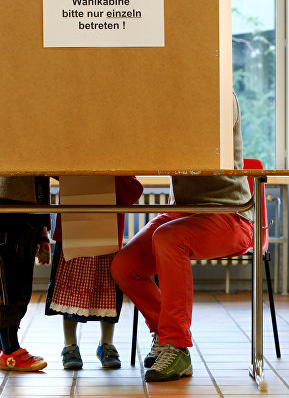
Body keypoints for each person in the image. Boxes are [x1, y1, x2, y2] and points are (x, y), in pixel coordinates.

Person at [110, 92, 254, 382]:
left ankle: (177, 346)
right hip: (184, 211)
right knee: (124, 267)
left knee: (169, 238)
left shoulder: (222, 95)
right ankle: (165, 334)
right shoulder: (171, 94)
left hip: (231, 213)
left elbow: (195, 144)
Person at [45, 177, 143, 369]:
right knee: (70, 290)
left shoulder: (119, 163)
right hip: (73, 232)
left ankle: (106, 343)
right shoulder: (71, 154)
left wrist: (111, 175)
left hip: (106, 236)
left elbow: (133, 191)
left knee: (107, 291)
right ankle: (70, 344)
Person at [0, 176, 51, 372]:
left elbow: (40, 182)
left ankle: (4, 347)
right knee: (11, 288)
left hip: (24, 215)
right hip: (5, 212)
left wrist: (42, 233)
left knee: (20, 289)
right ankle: (10, 351)